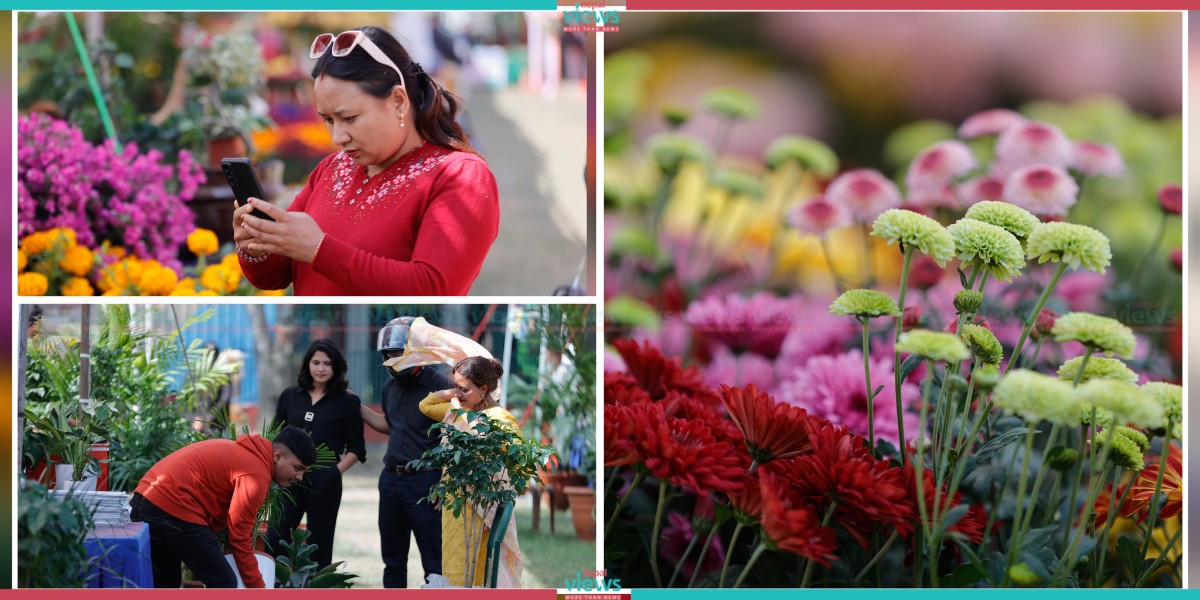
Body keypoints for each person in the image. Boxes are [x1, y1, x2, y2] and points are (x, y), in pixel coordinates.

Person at [233, 26, 500, 296]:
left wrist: (319, 249)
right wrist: (256, 246)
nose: (337, 136)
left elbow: (433, 290)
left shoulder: (460, 176)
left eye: (348, 118)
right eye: (328, 120)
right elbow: (275, 275)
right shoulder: (332, 168)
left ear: (398, 101)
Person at [130, 426, 317, 588]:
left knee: (166, 583)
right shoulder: (255, 474)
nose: (299, 477)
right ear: (277, 456)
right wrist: (259, 589)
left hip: (147, 500)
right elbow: (240, 536)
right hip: (172, 506)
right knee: (223, 583)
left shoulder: (248, 455)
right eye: (297, 468)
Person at [360, 317, 451, 587]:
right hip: (390, 481)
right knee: (393, 561)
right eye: (389, 355)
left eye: (399, 354)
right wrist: (358, 407)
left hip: (425, 482)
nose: (394, 360)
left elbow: (456, 436)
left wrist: (444, 481)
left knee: (434, 563)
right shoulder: (390, 388)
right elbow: (392, 426)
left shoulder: (440, 387)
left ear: (416, 352)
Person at [419, 356, 524, 587]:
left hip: (480, 507)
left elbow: (519, 466)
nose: (458, 393)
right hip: (454, 504)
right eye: (455, 386)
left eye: (464, 388)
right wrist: (453, 394)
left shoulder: (501, 419)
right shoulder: (459, 410)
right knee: (454, 567)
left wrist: (460, 413)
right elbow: (425, 405)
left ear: (484, 389)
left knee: (475, 572)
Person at [265, 338, 365, 569]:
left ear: (336, 367)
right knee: (275, 540)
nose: (321, 368)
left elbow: (357, 448)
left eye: (327, 363)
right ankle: (273, 587)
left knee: (319, 545)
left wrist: (334, 472)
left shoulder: (347, 401)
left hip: (325, 482)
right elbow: (275, 437)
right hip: (287, 481)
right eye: (316, 362)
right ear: (307, 364)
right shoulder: (290, 395)